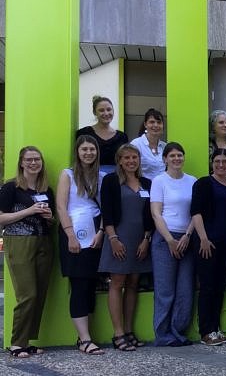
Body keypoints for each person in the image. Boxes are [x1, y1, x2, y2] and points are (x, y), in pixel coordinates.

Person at [0, 147, 55, 358]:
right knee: (28, 294)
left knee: (39, 293)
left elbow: (49, 220)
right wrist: (29, 211)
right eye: (29, 159)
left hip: (44, 241)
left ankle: (27, 340)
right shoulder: (10, 187)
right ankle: (17, 343)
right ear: (21, 163)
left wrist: (49, 216)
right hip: (19, 241)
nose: (34, 163)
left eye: (37, 159)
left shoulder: (46, 189)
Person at [99, 144, 154, 351]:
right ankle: (118, 333)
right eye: (127, 158)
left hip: (141, 241)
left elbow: (150, 214)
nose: (131, 161)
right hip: (118, 238)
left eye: (135, 157)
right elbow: (107, 211)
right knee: (117, 282)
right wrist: (112, 238)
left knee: (133, 283)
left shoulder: (146, 183)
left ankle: (129, 331)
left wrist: (146, 239)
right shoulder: (111, 181)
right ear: (120, 160)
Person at [57, 135, 106, 355]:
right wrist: (70, 235)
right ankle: (84, 339)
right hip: (74, 235)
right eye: (84, 149)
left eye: (92, 149)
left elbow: (107, 208)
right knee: (79, 285)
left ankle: (84, 335)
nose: (88, 153)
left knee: (91, 285)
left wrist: (102, 232)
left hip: (96, 234)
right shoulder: (67, 175)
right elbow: (61, 206)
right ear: (77, 152)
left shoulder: (103, 176)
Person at [150, 142, 197, 346]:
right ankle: (163, 334)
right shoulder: (159, 181)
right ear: (165, 159)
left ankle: (178, 332)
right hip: (164, 239)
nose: (176, 159)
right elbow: (155, 213)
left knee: (185, 289)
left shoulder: (192, 181)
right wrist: (170, 239)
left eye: (180, 155)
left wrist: (187, 235)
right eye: (172, 156)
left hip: (187, 238)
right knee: (165, 290)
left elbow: (196, 213)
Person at [191, 149, 226, 346]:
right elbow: (196, 212)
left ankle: (216, 329)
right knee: (208, 287)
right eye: (217, 161)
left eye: (225, 161)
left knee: (220, 287)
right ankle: (206, 331)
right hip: (207, 244)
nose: (221, 165)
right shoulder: (203, 183)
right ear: (212, 163)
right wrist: (203, 238)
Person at [76, 95, 128, 174]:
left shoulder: (122, 137)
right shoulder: (84, 133)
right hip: (89, 177)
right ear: (94, 112)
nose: (106, 113)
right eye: (101, 110)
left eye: (109, 109)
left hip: (115, 179)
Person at [130, 108, 167, 180]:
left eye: (159, 122)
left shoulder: (165, 146)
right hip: (143, 187)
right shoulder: (136, 144)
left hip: (162, 188)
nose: (156, 125)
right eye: (152, 122)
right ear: (145, 124)